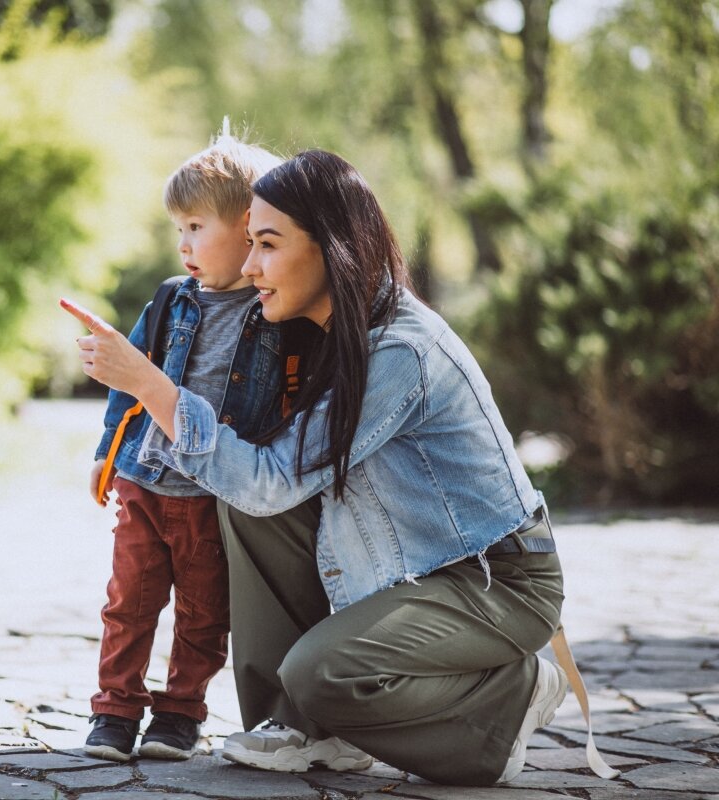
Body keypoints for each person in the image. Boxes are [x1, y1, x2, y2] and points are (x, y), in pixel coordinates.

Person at [61, 149, 570, 785]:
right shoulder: (324, 331)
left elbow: (272, 479)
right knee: (242, 506)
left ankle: (509, 698)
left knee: (322, 672)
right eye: (246, 243)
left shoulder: (398, 352)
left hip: (491, 579)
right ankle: (298, 727)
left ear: (331, 248)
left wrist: (150, 385)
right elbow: (263, 479)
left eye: (267, 245)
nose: (249, 266)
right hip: (407, 567)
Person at [80, 130, 286, 763]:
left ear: (248, 227)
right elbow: (128, 376)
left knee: (203, 612)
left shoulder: (271, 310)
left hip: (210, 495)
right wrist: (107, 452)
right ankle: (114, 710)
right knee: (129, 601)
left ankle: (178, 713)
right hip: (146, 479)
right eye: (179, 228)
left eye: (197, 226)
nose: (184, 243)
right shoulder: (173, 299)